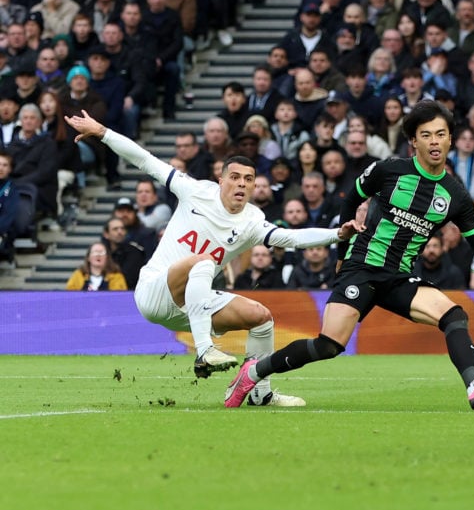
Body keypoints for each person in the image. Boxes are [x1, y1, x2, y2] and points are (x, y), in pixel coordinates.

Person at [222, 101, 474, 410]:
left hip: (399, 278)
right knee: (329, 345)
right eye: (426, 135)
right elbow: (350, 202)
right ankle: (252, 372)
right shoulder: (388, 170)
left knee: (454, 315)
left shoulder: (456, 196)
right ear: (413, 141)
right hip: (361, 268)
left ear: (450, 139)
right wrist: (342, 254)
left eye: (441, 134)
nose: (434, 141)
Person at [64, 109, 350, 408]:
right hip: (155, 290)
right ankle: (204, 351)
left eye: (248, 179)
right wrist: (103, 132)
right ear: (221, 179)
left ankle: (258, 391)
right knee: (203, 261)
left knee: (261, 318)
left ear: (254, 186)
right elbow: (146, 160)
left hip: (193, 307)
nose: (241, 184)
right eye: (235, 177)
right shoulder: (195, 191)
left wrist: (337, 235)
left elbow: (292, 238)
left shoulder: (253, 221)